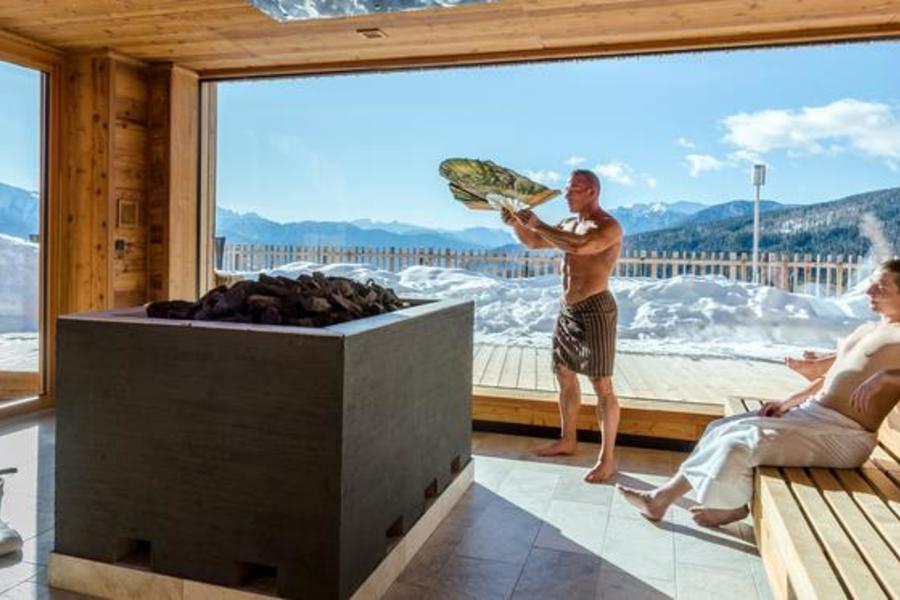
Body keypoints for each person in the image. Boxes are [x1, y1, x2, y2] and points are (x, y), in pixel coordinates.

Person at [617, 259, 900, 526]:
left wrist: (888, 377)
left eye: (881, 286)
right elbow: (831, 376)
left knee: (739, 445)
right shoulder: (867, 328)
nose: (869, 291)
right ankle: (660, 499)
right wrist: (789, 402)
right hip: (813, 414)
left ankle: (731, 506)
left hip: (845, 436)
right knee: (721, 428)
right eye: (871, 283)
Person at [501, 170, 623, 482]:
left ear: (592, 192)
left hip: (596, 308)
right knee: (564, 374)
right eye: (568, 190)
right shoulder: (568, 224)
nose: (567, 195)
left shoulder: (607, 226)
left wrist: (538, 223)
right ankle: (568, 440)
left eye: (574, 190)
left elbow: (581, 247)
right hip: (568, 309)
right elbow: (533, 241)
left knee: (601, 384)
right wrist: (516, 224)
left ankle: (607, 459)